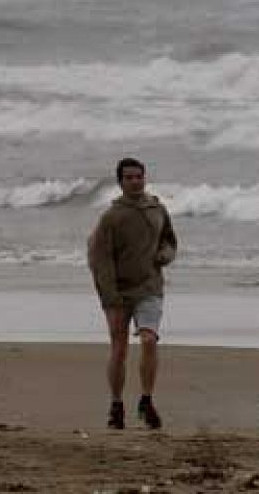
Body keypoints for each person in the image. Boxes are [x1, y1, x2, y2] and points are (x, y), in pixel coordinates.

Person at [87, 156, 178, 430]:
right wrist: (110, 296)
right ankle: (116, 404)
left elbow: (170, 240)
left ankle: (146, 400)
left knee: (149, 340)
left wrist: (165, 255)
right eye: (129, 177)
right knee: (119, 348)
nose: (135, 181)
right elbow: (99, 259)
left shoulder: (157, 208)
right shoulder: (111, 217)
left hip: (150, 287)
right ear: (120, 182)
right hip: (118, 291)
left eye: (139, 176)